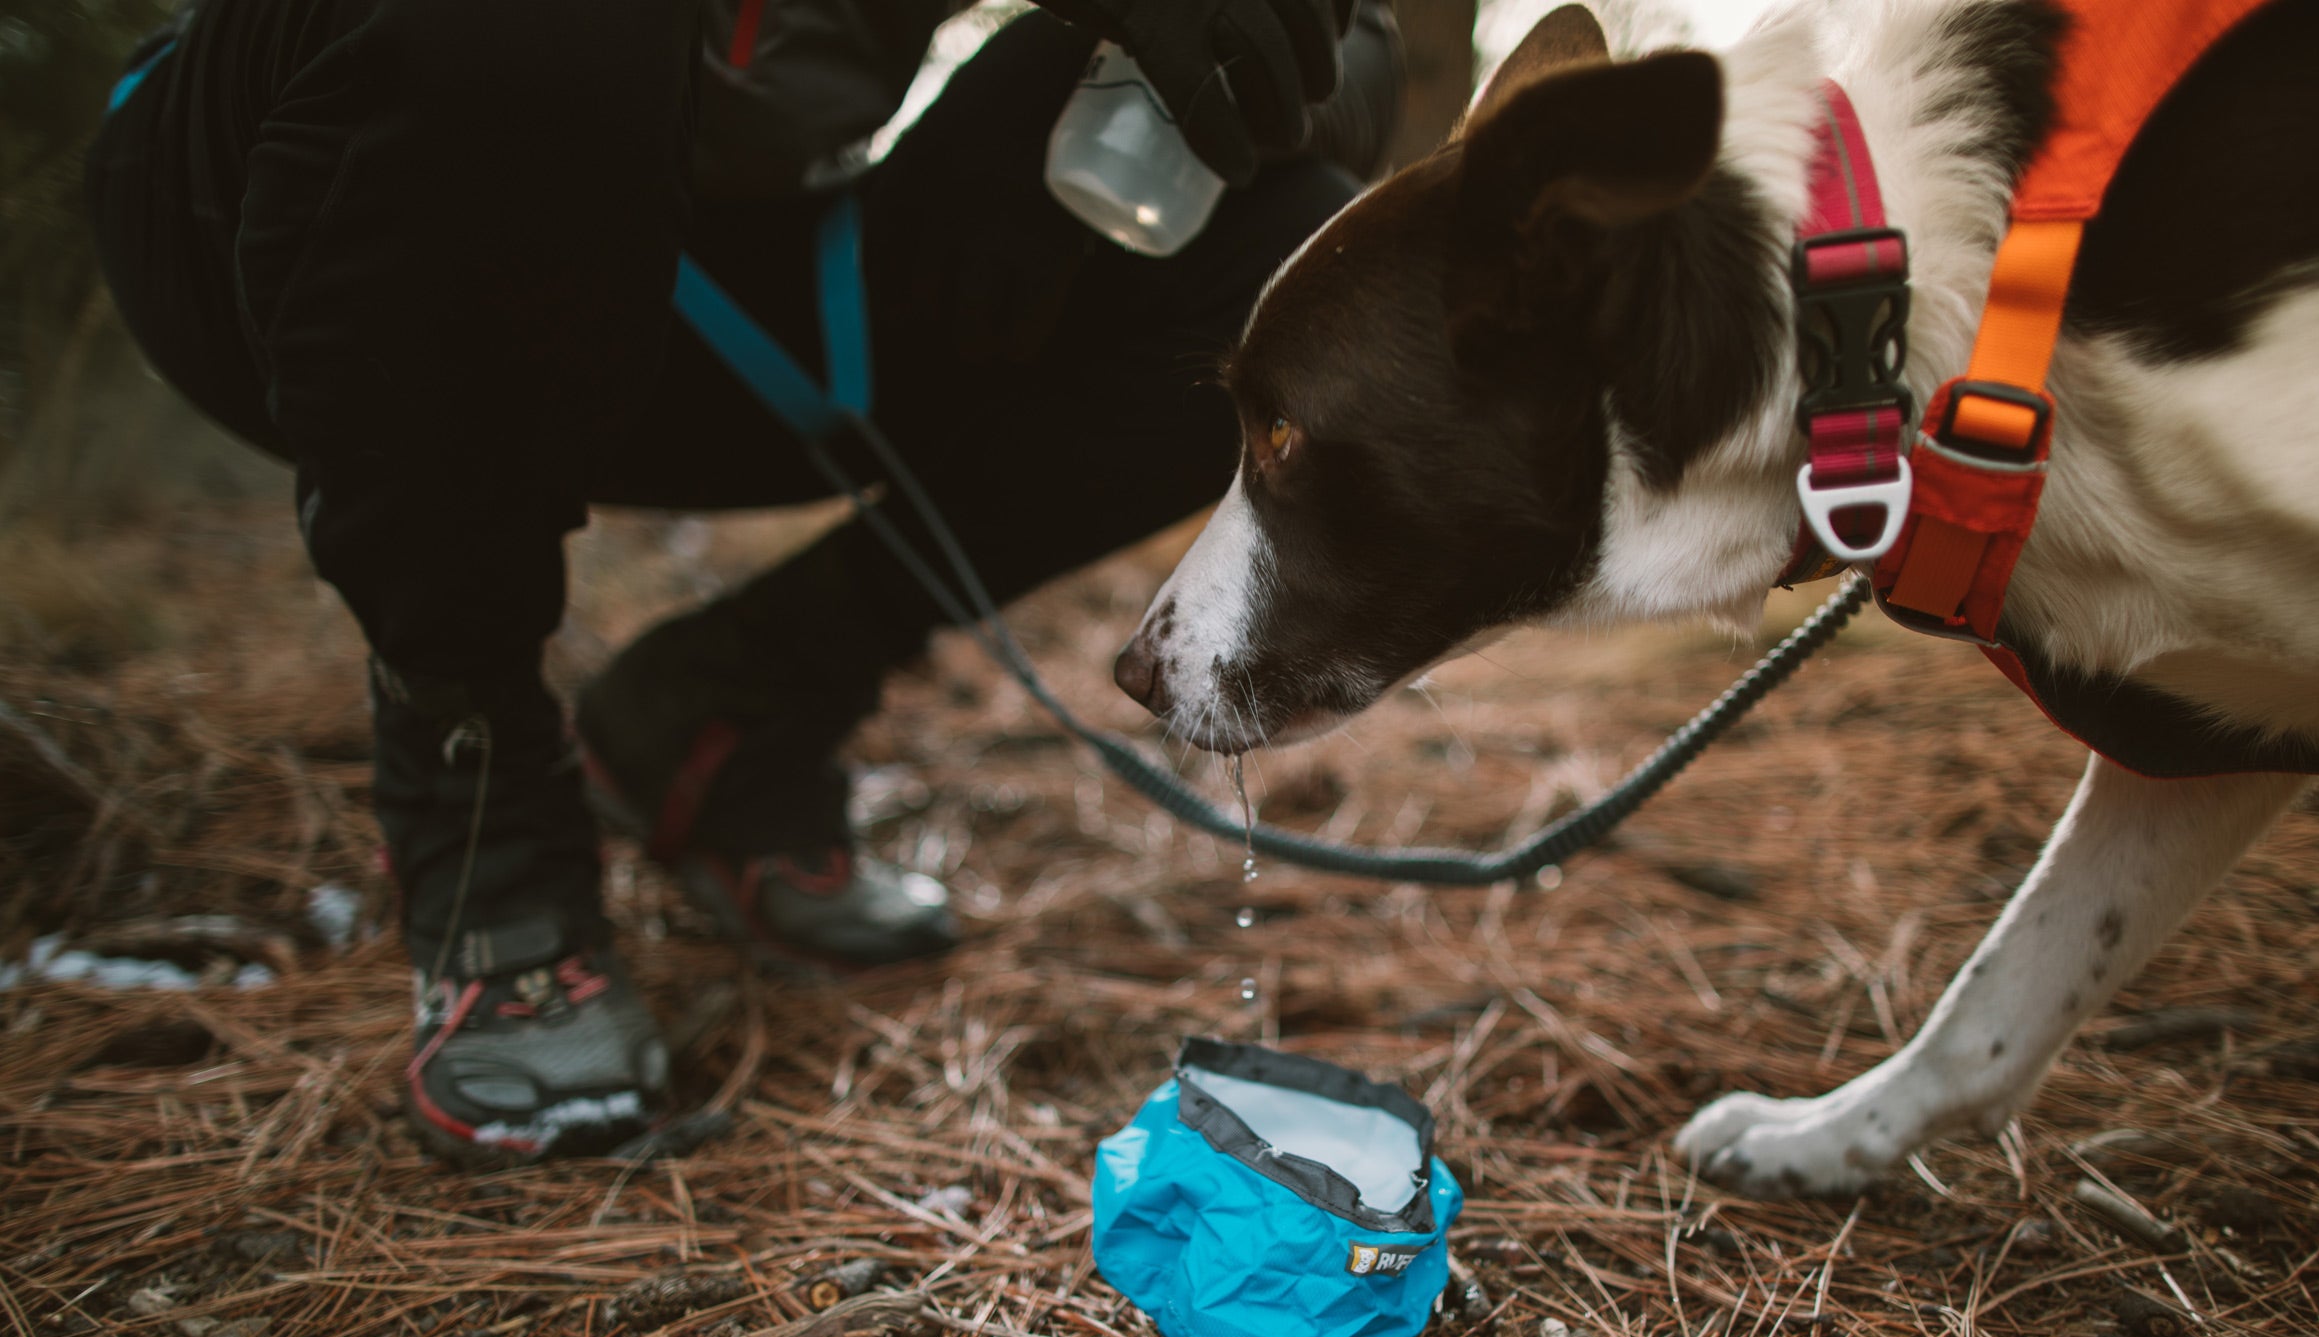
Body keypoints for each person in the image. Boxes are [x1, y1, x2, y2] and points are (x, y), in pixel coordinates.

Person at [85, 0, 1400, 1159]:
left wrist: (1104, 76)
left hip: (707, 272)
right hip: (284, 178)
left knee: (1280, 258)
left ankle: (730, 710)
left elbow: (1354, 61)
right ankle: (471, 785)